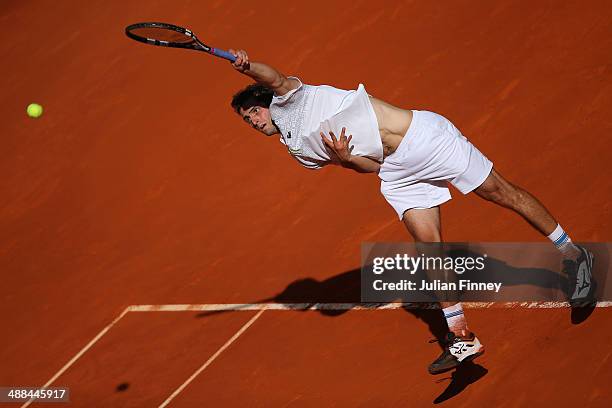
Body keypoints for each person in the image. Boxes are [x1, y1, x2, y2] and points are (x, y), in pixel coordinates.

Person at [227, 49, 596, 374]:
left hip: (426, 140)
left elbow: (272, 76)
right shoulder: (300, 152)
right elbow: (367, 167)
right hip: (395, 171)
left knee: (501, 192)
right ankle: (461, 335)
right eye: (248, 121)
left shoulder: (293, 98)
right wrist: (347, 158)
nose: (254, 121)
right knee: (428, 248)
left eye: (254, 112)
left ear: (268, 101)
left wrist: (246, 66)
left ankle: (574, 255)